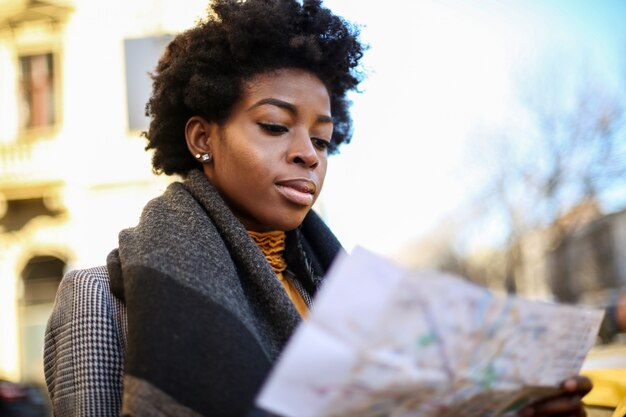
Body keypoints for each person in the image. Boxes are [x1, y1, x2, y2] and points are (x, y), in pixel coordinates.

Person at [43, 0, 593, 416]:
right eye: (276, 126)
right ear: (201, 137)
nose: (308, 154)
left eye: (323, 140)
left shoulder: (344, 301)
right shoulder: (98, 300)